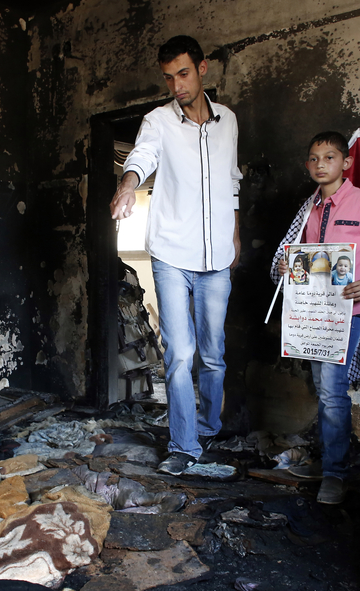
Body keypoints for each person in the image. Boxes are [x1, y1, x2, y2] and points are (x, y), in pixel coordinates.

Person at [109, 35, 242, 476]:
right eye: (168, 78)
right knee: (180, 353)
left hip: (217, 257)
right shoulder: (157, 121)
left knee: (213, 354)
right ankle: (183, 444)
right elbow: (142, 156)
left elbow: (232, 181)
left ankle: (207, 427)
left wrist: (235, 235)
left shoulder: (228, 122)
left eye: (183, 74)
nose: (177, 86)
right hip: (170, 254)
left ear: (202, 68)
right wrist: (127, 185)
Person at [270, 131, 360, 503]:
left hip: (348, 311)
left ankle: (335, 474)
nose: (320, 164)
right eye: (313, 158)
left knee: (332, 390)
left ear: (346, 162)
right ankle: (329, 461)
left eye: (329, 157)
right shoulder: (309, 208)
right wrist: (288, 266)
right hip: (312, 313)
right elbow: (307, 259)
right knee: (323, 388)